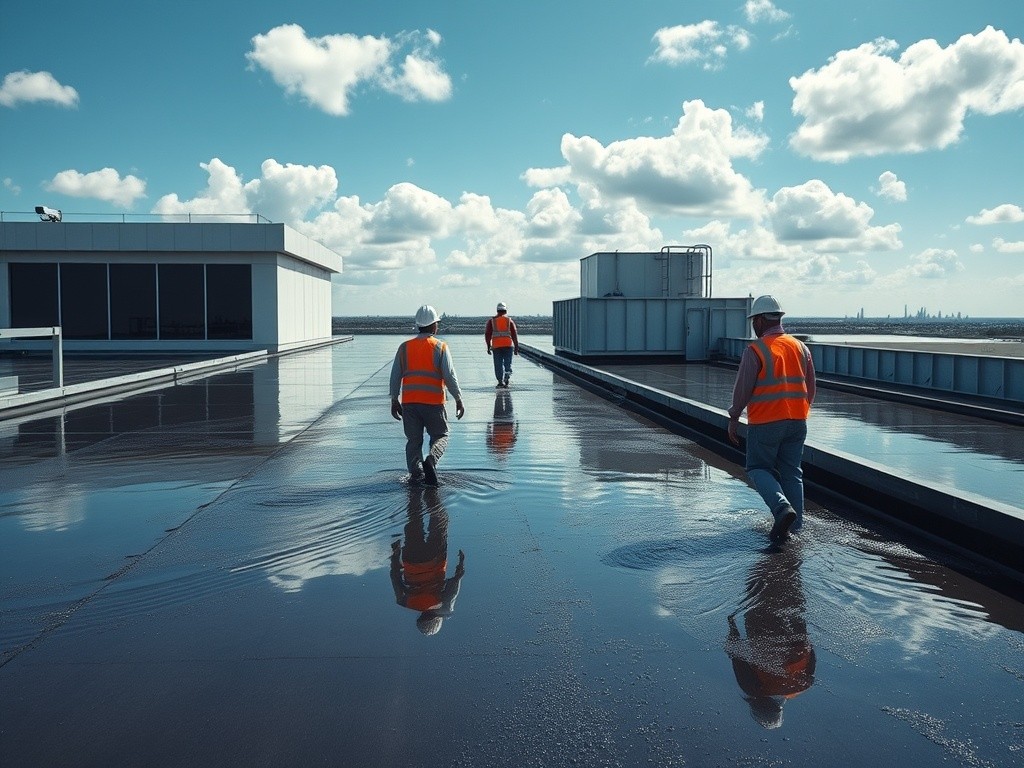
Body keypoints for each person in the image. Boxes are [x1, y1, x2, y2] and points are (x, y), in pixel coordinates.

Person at [727, 295, 815, 543]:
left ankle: (781, 509)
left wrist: (734, 417)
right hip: (798, 420)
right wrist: (800, 412)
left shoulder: (756, 350)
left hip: (766, 421)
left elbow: (743, 389)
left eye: (754, 320)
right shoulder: (801, 348)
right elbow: (811, 386)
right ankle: (796, 528)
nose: (754, 325)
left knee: (758, 468)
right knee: (792, 472)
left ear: (761, 320)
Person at [726, 545, 816, 729]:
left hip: (795, 629)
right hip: (766, 632)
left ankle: (788, 552)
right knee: (757, 587)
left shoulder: (800, 688)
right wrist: (732, 625)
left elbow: (811, 654)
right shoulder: (753, 689)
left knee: (790, 583)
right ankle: (771, 551)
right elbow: (737, 655)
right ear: (757, 705)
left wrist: (800, 624)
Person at [390, 305, 465, 486]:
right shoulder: (440, 347)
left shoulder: (404, 348)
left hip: (410, 404)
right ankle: (431, 460)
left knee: (414, 440)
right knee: (441, 435)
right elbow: (449, 376)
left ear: (418, 325)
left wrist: (394, 399)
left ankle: (416, 474)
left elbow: (395, 376)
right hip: (433, 403)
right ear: (433, 326)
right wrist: (458, 398)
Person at [390, 485, 465, 635]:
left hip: (434, 559)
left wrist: (460, 567)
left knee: (440, 521)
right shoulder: (404, 601)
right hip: (411, 559)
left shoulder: (444, 607)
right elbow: (394, 576)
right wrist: (395, 553)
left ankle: (432, 492)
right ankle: (414, 489)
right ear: (420, 618)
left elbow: (454, 584)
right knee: (414, 519)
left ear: (437, 619)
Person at [484, 302, 520, 388]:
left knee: (498, 364)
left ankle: (500, 381)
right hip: (508, 345)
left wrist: (488, 346)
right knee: (508, 362)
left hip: (496, 346)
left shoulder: (491, 321)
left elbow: (487, 334)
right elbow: (514, 334)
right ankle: (507, 375)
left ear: (497, 310)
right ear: (505, 311)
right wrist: (516, 347)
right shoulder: (509, 321)